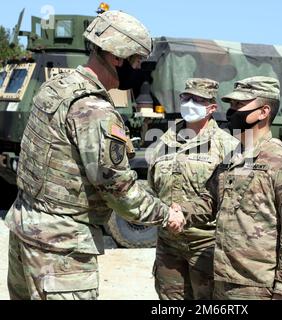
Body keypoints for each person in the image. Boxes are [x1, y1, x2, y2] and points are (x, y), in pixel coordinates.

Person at [5, 10, 185, 300]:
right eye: (136, 60)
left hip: (26, 230)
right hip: (61, 248)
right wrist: (167, 215)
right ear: (117, 56)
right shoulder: (94, 110)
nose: (138, 68)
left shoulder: (55, 88)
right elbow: (118, 190)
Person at [209, 76, 282, 300]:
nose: (231, 111)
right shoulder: (230, 158)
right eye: (231, 105)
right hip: (222, 281)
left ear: (264, 111)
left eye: (240, 105)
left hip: (258, 287)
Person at [148, 78, 239, 300]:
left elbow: (233, 199)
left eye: (197, 99)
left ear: (212, 108)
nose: (190, 103)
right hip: (168, 242)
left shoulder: (227, 145)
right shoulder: (163, 141)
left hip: (207, 244)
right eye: (186, 97)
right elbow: (153, 186)